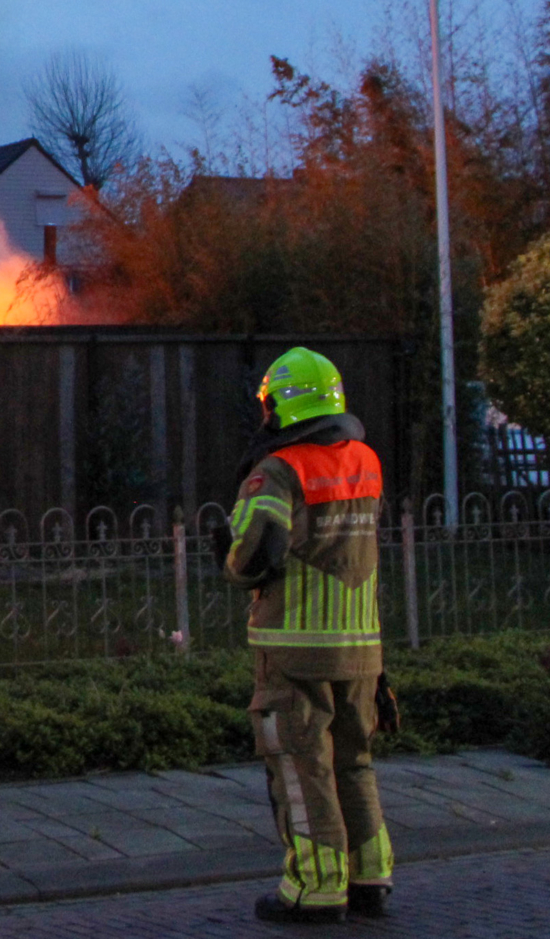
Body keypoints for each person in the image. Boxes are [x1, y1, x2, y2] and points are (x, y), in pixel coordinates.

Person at [214, 346, 398, 924]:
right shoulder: (365, 460)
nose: (264, 414)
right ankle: (370, 878)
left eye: (269, 403)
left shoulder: (279, 470)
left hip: (293, 652)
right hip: (361, 649)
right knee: (354, 763)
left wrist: (226, 550)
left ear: (285, 406)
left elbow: (250, 557)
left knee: (300, 766)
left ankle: (315, 889)